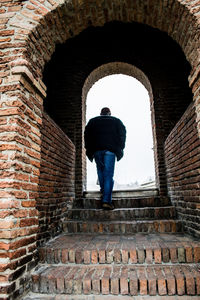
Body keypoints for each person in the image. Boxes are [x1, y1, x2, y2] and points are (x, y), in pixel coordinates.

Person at [84, 107, 126, 210]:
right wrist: (119, 147)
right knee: (108, 175)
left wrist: (89, 148)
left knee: (100, 172)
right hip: (110, 151)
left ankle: (104, 192)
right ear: (109, 113)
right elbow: (122, 134)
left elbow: (86, 135)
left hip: (97, 150)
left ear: (101, 113)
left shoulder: (93, 121)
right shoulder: (116, 121)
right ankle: (106, 201)